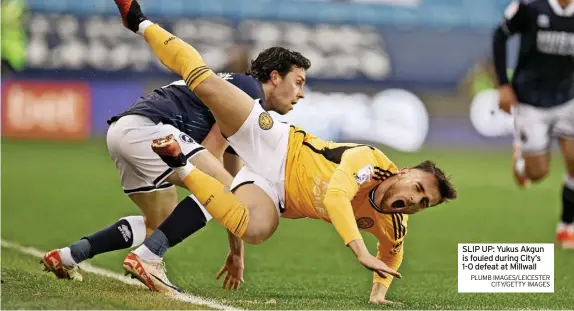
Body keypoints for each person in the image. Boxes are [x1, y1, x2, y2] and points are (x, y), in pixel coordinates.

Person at [112, 0, 457, 303]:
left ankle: (181, 166)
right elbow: (337, 198)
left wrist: (378, 295)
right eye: (419, 188)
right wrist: (360, 251)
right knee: (204, 82)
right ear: (404, 173)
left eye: (425, 203)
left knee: (256, 229)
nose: (416, 201)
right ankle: (139, 21)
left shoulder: (394, 225)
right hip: (278, 146)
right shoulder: (371, 161)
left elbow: (392, 258)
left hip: (276, 194)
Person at [41, 46, 311, 289]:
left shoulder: (233, 94)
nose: (301, 94)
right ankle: (149, 258)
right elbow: (217, 172)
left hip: (124, 131)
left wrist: (237, 253)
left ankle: (69, 255)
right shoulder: (249, 92)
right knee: (218, 190)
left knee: (158, 224)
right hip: (152, 130)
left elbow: (232, 177)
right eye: (298, 83)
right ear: (275, 77)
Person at [493, 0, 574, 248]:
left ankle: (567, 226)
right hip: (530, 100)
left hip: (567, 97)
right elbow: (500, 36)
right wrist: (503, 85)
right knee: (537, 173)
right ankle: (521, 165)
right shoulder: (530, 6)